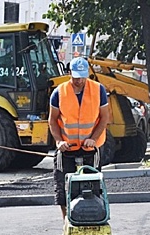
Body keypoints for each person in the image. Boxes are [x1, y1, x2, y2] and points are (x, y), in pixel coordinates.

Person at [48, 57, 110, 219]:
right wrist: (59, 141)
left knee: (94, 186)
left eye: (82, 76)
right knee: (63, 187)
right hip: (67, 148)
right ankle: (67, 221)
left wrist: (94, 139)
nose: (79, 80)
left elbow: (104, 118)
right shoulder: (59, 92)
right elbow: (52, 120)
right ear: (69, 74)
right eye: (76, 77)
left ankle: (96, 218)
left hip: (90, 147)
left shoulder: (98, 90)